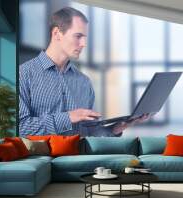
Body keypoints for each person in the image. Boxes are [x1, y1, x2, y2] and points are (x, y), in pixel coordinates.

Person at [19, 7, 148, 137]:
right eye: (78, 36)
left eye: (85, 37)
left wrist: (117, 128)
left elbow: (90, 133)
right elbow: (20, 127)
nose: (83, 44)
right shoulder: (23, 74)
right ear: (57, 33)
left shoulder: (84, 81)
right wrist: (68, 117)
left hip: (80, 156)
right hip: (43, 156)